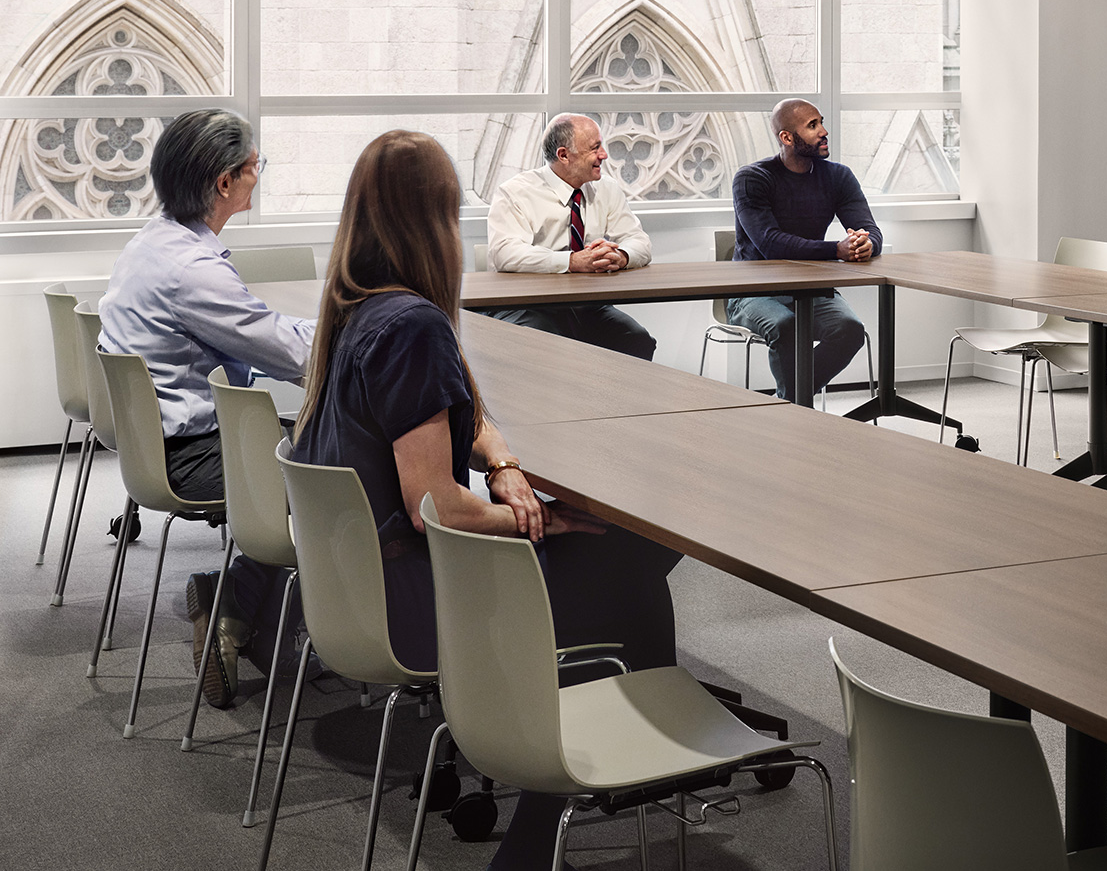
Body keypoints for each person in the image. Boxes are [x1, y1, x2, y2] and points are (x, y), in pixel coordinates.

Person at [292, 129, 681, 871]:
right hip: (417, 602)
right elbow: (435, 505)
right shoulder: (413, 327)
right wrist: (531, 517)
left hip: (355, 589)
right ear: (433, 219)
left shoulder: (357, 308)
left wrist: (501, 462)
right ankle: (574, 800)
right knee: (632, 556)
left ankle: (619, 762)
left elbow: (455, 413)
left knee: (618, 557)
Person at [98, 108, 314, 705]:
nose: (256, 177)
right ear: (224, 183)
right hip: (192, 453)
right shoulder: (191, 269)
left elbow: (258, 328)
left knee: (319, 443)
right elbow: (284, 353)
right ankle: (239, 608)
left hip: (164, 442)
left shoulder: (157, 241)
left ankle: (253, 614)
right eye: (253, 168)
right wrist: (360, 332)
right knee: (344, 469)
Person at [728, 99, 882, 406]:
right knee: (786, 327)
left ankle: (789, 403)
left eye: (821, 122)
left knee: (849, 330)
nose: (824, 131)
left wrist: (866, 244)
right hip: (753, 292)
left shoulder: (839, 177)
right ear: (786, 138)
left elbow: (870, 229)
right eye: (812, 126)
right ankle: (797, 409)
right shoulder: (752, 178)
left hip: (812, 289)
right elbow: (772, 243)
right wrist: (837, 250)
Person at [484, 113, 656, 360]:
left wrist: (620, 255)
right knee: (550, 350)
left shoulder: (606, 188)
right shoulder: (515, 193)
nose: (604, 155)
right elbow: (505, 254)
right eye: (595, 148)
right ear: (563, 155)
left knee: (637, 341)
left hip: (586, 305)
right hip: (527, 305)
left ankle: (611, 400)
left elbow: (639, 241)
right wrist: (572, 262)